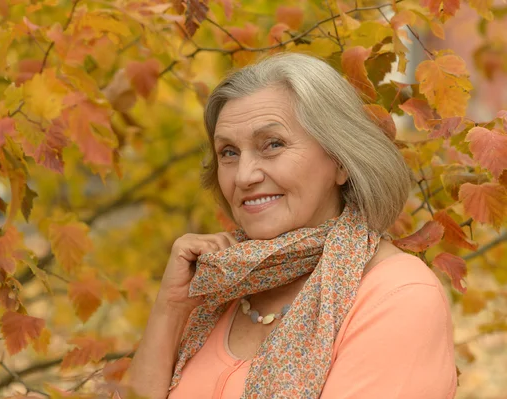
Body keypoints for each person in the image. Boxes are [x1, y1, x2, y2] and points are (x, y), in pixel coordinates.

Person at [125, 53, 457, 399]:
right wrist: (172, 308)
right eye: (228, 152)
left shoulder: (397, 295)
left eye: (273, 145)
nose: (244, 176)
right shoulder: (221, 284)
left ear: (340, 161)